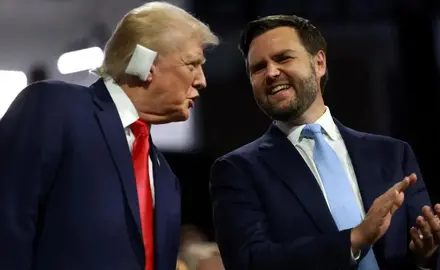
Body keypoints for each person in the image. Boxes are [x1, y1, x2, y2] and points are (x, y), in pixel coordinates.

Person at [209, 14, 440, 270]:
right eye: (258, 68)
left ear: (319, 63)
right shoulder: (237, 171)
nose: (271, 73)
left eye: (283, 58)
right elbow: (249, 262)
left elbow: (423, 249)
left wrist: (427, 254)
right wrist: (355, 239)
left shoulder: (393, 154)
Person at [0, 2, 218, 270]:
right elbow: (7, 223)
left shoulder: (165, 177)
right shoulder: (56, 108)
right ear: (145, 63)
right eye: (192, 64)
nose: (202, 80)